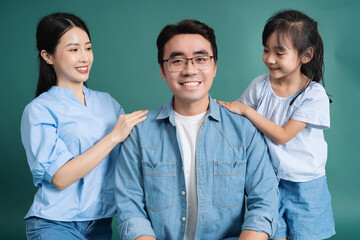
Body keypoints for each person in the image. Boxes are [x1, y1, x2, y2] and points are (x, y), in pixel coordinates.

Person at [115, 19, 280, 240]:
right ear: (163, 71)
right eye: (177, 61)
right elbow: (130, 209)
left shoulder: (244, 130)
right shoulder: (139, 133)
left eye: (200, 59)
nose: (189, 70)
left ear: (214, 67)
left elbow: (264, 204)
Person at [21, 12, 147, 240]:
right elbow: (60, 178)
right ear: (48, 56)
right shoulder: (39, 110)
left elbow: (132, 158)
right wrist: (112, 137)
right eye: (73, 49)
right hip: (54, 224)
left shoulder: (108, 102)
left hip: (100, 224)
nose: (84, 57)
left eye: (88, 48)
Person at [217, 10, 335, 240]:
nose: (269, 58)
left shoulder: (313, 94)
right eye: (266, 50)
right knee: (272, 234)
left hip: (306, 185)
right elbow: (236, 120)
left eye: (279, 53)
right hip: (268, 182)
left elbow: (282, 135)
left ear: (306, 55)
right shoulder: (260, 85)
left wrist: (247, 111)